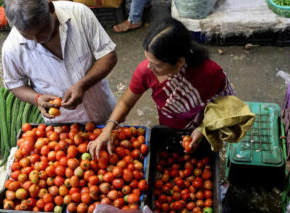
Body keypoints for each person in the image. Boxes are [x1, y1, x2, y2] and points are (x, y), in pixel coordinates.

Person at [88, 18, 235, 158]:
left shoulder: (210, 73)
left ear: (179, 62)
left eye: (157, 65)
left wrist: (204, 129)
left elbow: (226, 106)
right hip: (169, 126)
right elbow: (126, 102)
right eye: (148, 60)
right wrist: (108, 129)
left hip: (204, 125)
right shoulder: (145, 71)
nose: (149, 67)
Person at [2, 0, 117, 123]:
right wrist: (37, 98)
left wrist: (83, 84)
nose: (37, 40)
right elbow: (15, 84)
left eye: (42, 31)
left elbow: (108, 56)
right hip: (62, 125)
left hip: (103, 110)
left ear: (51, 8)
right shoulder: (12, 48)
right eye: (28, 36)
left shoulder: (79, 14)